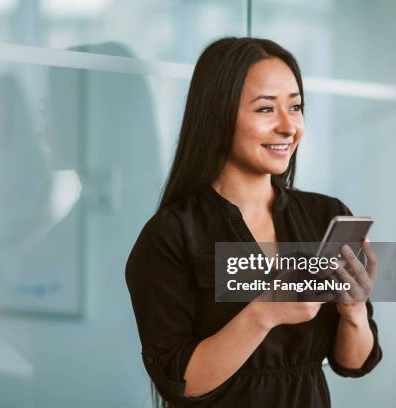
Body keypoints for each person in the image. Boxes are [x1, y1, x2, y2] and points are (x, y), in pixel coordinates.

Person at [125, 37, 382, 408]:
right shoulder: (171, 235)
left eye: (295, 107)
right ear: (218, 114)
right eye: (265, 110)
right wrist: (264, 311)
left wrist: (354, 309)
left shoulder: (324, 215)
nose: (288, 126)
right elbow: (180, 382)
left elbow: (353, 362)